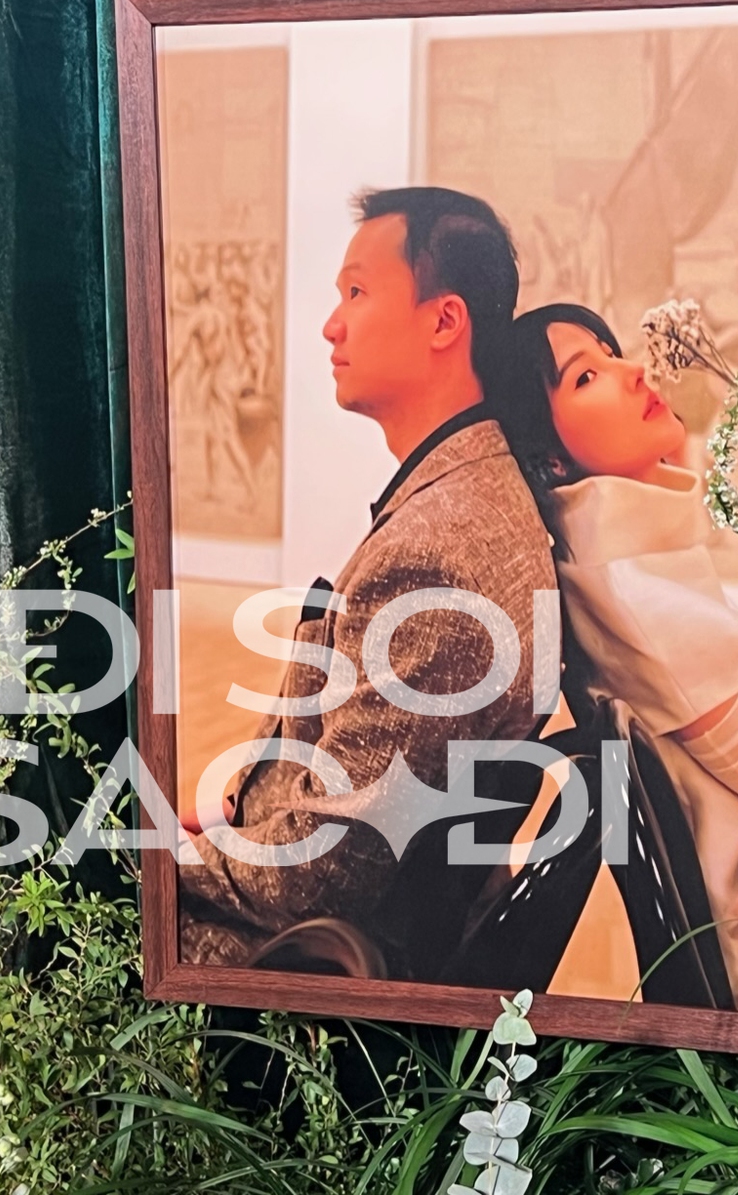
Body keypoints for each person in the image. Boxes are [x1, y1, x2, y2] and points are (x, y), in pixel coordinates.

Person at [177, 188, 558, 977]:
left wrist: (158, 856)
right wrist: (227, 813)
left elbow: (328, 871)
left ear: (444, 321)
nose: (332, 324)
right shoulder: (464, 497)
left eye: (356, 291)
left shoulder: (439, 553)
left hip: (295, 963)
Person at [491, 302, 738, 1015]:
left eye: (612, 354)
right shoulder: (638, 600)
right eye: (586, 376)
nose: (635, 371)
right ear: (551, 457)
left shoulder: (619, 563)